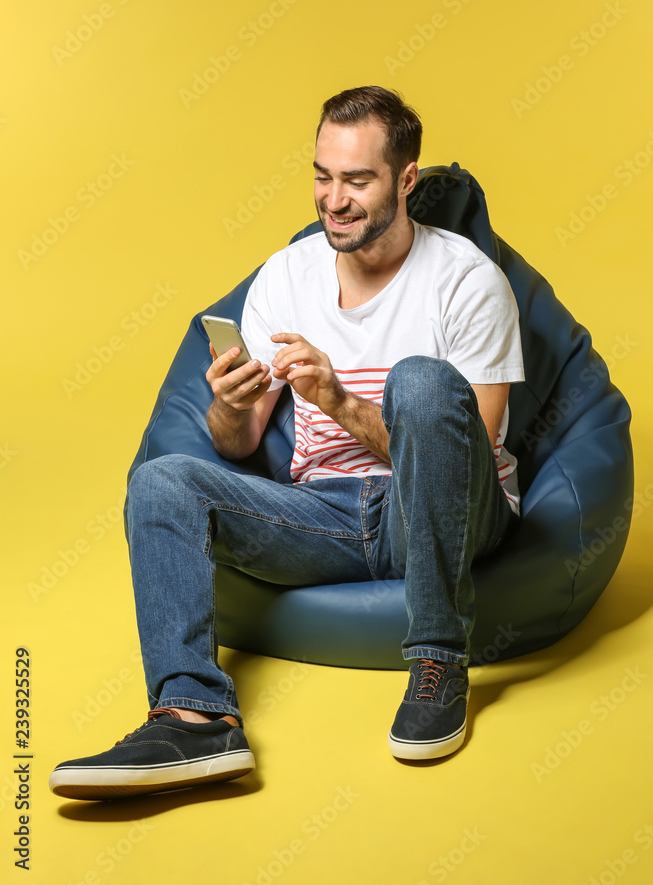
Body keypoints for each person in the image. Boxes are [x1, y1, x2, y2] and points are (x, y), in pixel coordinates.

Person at [49, 85, 524, 801]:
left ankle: (436, 661)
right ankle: (194, 716)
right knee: (163, 479)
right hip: (325, 514)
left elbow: (467, 465)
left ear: (405, 181)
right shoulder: (286, 274)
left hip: (439, 516)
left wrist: (336, 398)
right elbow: (236, 446)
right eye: (321, 176)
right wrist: (230, 406)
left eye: (357, 180)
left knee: (422, 382)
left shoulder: (465, 280)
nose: (332, 200)